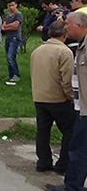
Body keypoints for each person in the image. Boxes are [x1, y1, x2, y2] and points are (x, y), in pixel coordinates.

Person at [46, 12, 87, 191]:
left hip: (85, 109)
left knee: (78, 150)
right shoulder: (81, 45)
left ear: (79, 26)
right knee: (79, 149)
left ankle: (72, 187)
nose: (65, 28)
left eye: (68, 25)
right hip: (81, 106)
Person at [30, 20, 75, 176]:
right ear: (65, 35)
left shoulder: (37, 51)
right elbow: (67, 79)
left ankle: (43, 162)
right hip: (58, 98)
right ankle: (63, 164)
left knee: (43, 131)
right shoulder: (65, 52)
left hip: (40, 96)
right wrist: (71, 97)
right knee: (69, 131)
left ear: (49, 34)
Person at [2, 0, 23, 82]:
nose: (11, 7)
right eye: (9, 5)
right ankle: (11, 74)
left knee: (11, 56)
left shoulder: (18, 14)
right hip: (8, 38)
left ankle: (16, 74)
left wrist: (7, 26)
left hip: (15, 38)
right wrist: (8, 26)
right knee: (8, 57)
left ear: (16, 5)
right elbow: (3, 27)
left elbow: (15, 27)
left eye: (12, 5)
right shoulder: (7, 15)